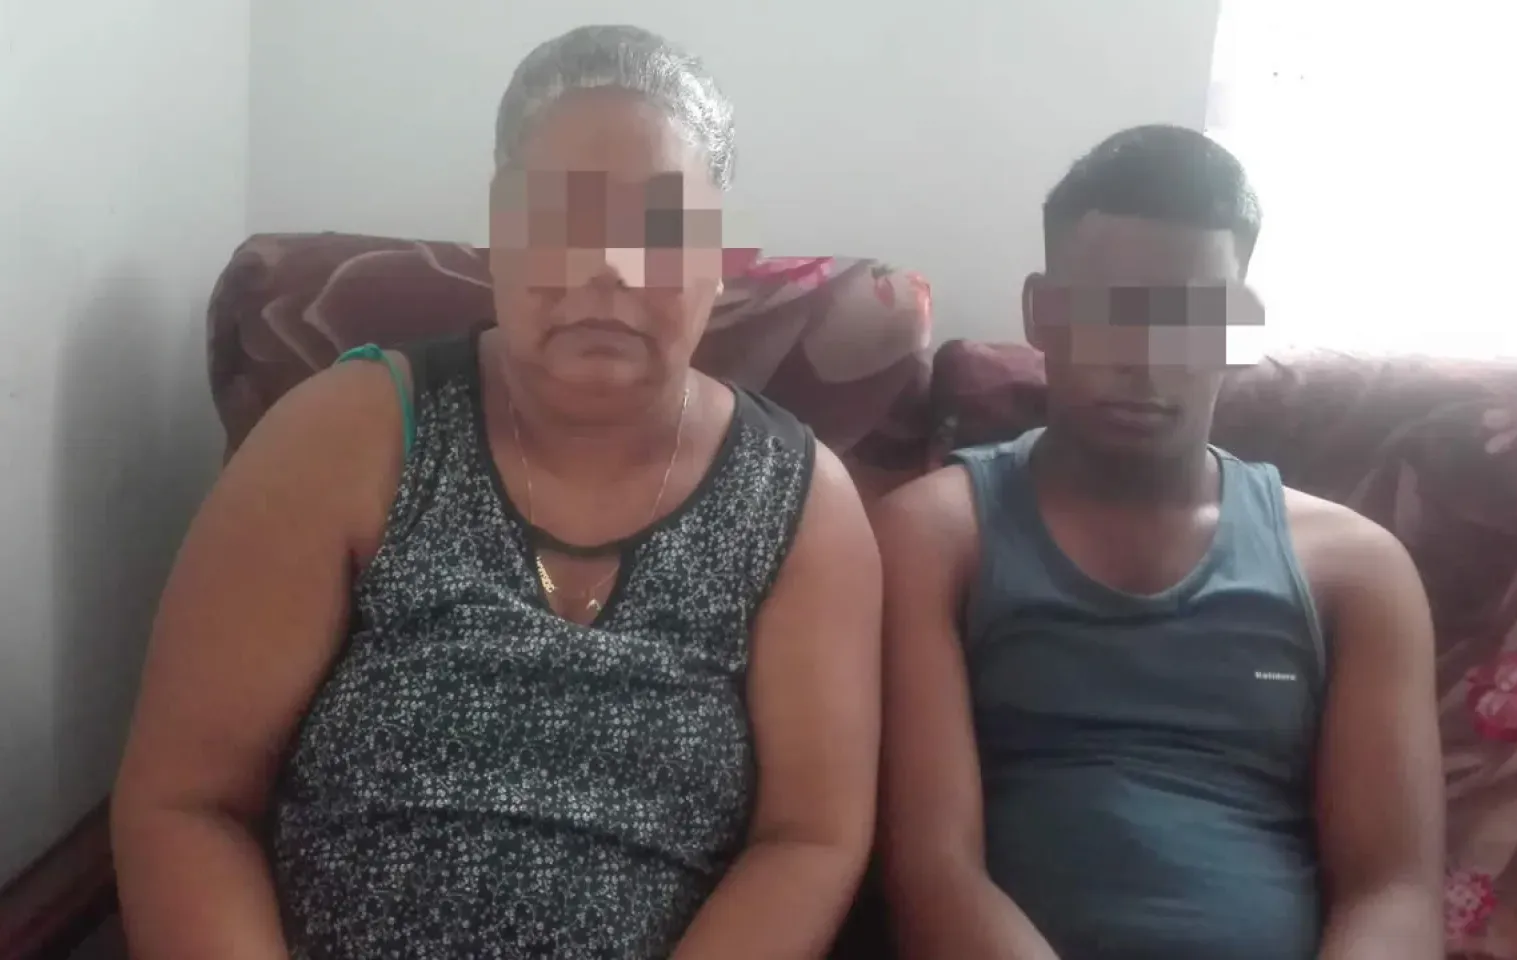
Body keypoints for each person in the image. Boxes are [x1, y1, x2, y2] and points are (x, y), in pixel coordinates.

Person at [111, 24, 882, 960]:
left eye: (657, 226)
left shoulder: (799, 504)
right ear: (498, 234)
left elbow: (807, 840)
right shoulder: (348, 435)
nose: (609, 266)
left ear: (718, 258)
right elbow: (188, 804)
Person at [875, 125, 1444, 959]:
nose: (1143, 358)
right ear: (1041, 313)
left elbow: (1393, 890)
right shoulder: (933, 536)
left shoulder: (1356, 570)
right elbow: (932, 871)